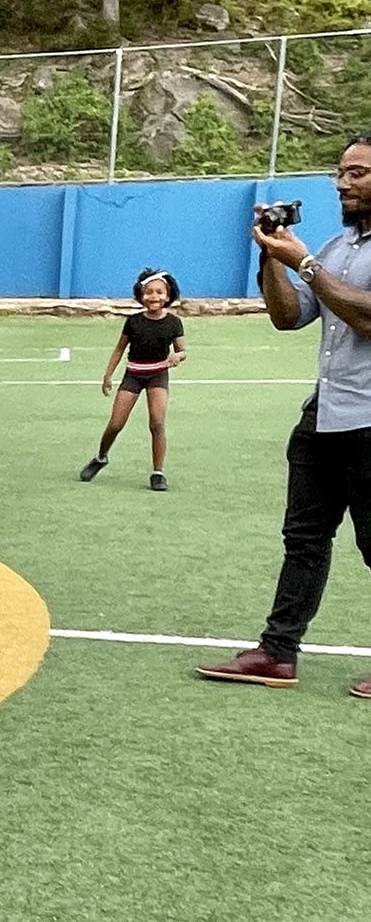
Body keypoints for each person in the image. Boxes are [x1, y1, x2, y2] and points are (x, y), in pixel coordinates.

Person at [197, 137, 371, 697]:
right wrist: (271, 257)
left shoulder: (323, 254)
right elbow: (289, 314)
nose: (344, 183)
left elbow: (365, 317)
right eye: (340, 173)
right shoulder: (337, 246)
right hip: (323, 417)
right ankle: (277, 653)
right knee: (304, 539)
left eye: (359, 173)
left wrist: (306, 262)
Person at [80, 270, 188, 491]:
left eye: (159, 292)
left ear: (168, 296)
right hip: (133, 375)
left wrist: (178, 356)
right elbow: (120, 349)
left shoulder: (173, 323)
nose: (154, 297)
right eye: (148, 292)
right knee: (116, 423)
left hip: (158, 375)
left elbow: (182, 351)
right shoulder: (133, 322)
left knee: (157, 423)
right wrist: (108, 374)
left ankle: (158, 473)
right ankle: (101, 457)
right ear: (141, 295)